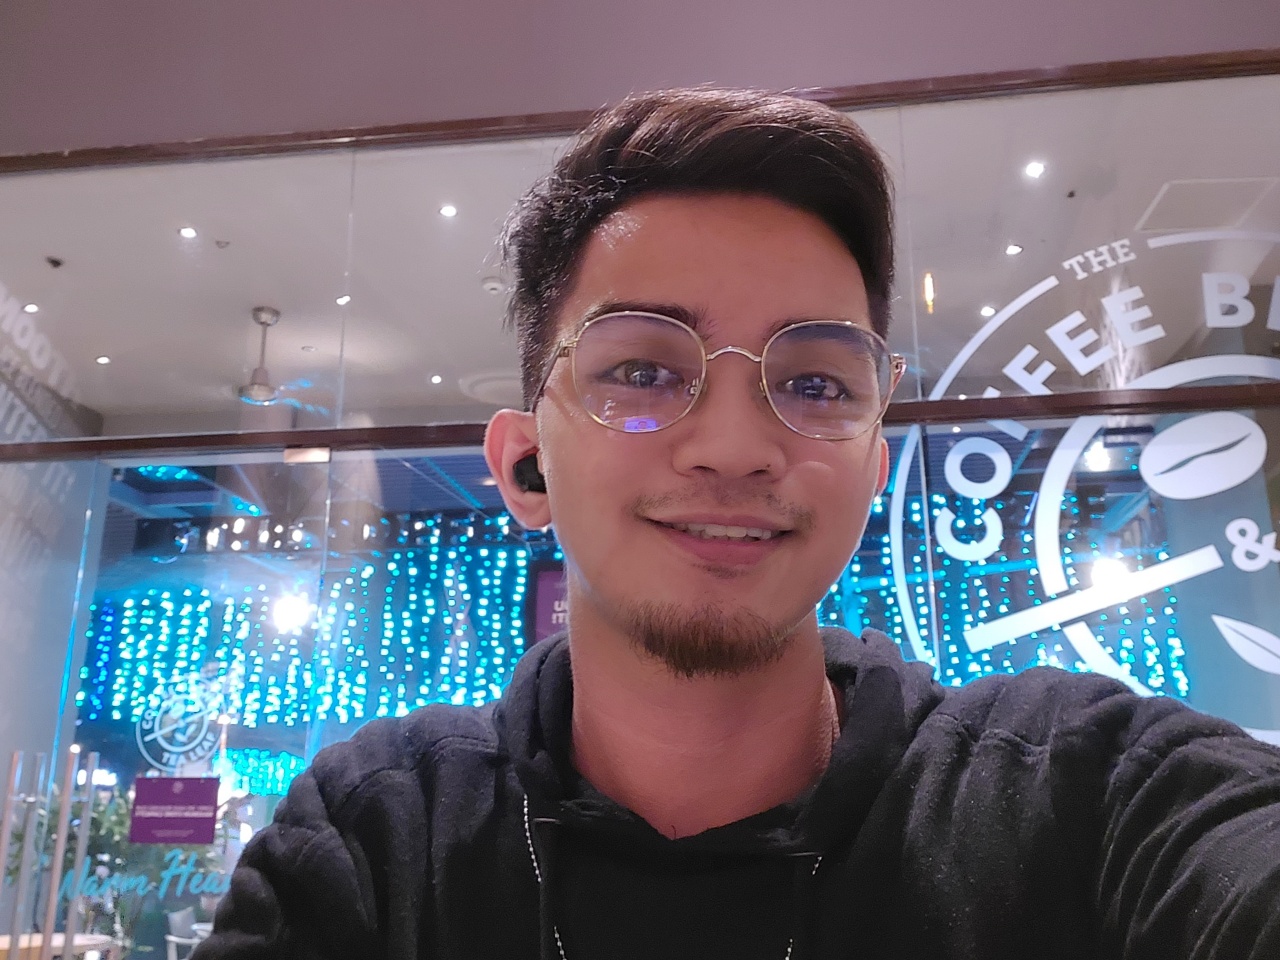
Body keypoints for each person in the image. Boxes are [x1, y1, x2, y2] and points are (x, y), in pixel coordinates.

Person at [192, 89, 1280, 960]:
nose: (732, 446)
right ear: (526, 463)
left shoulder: (1084, 794)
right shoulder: (378, 842)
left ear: (870, 470)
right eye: (640, 370)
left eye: (813, 385)